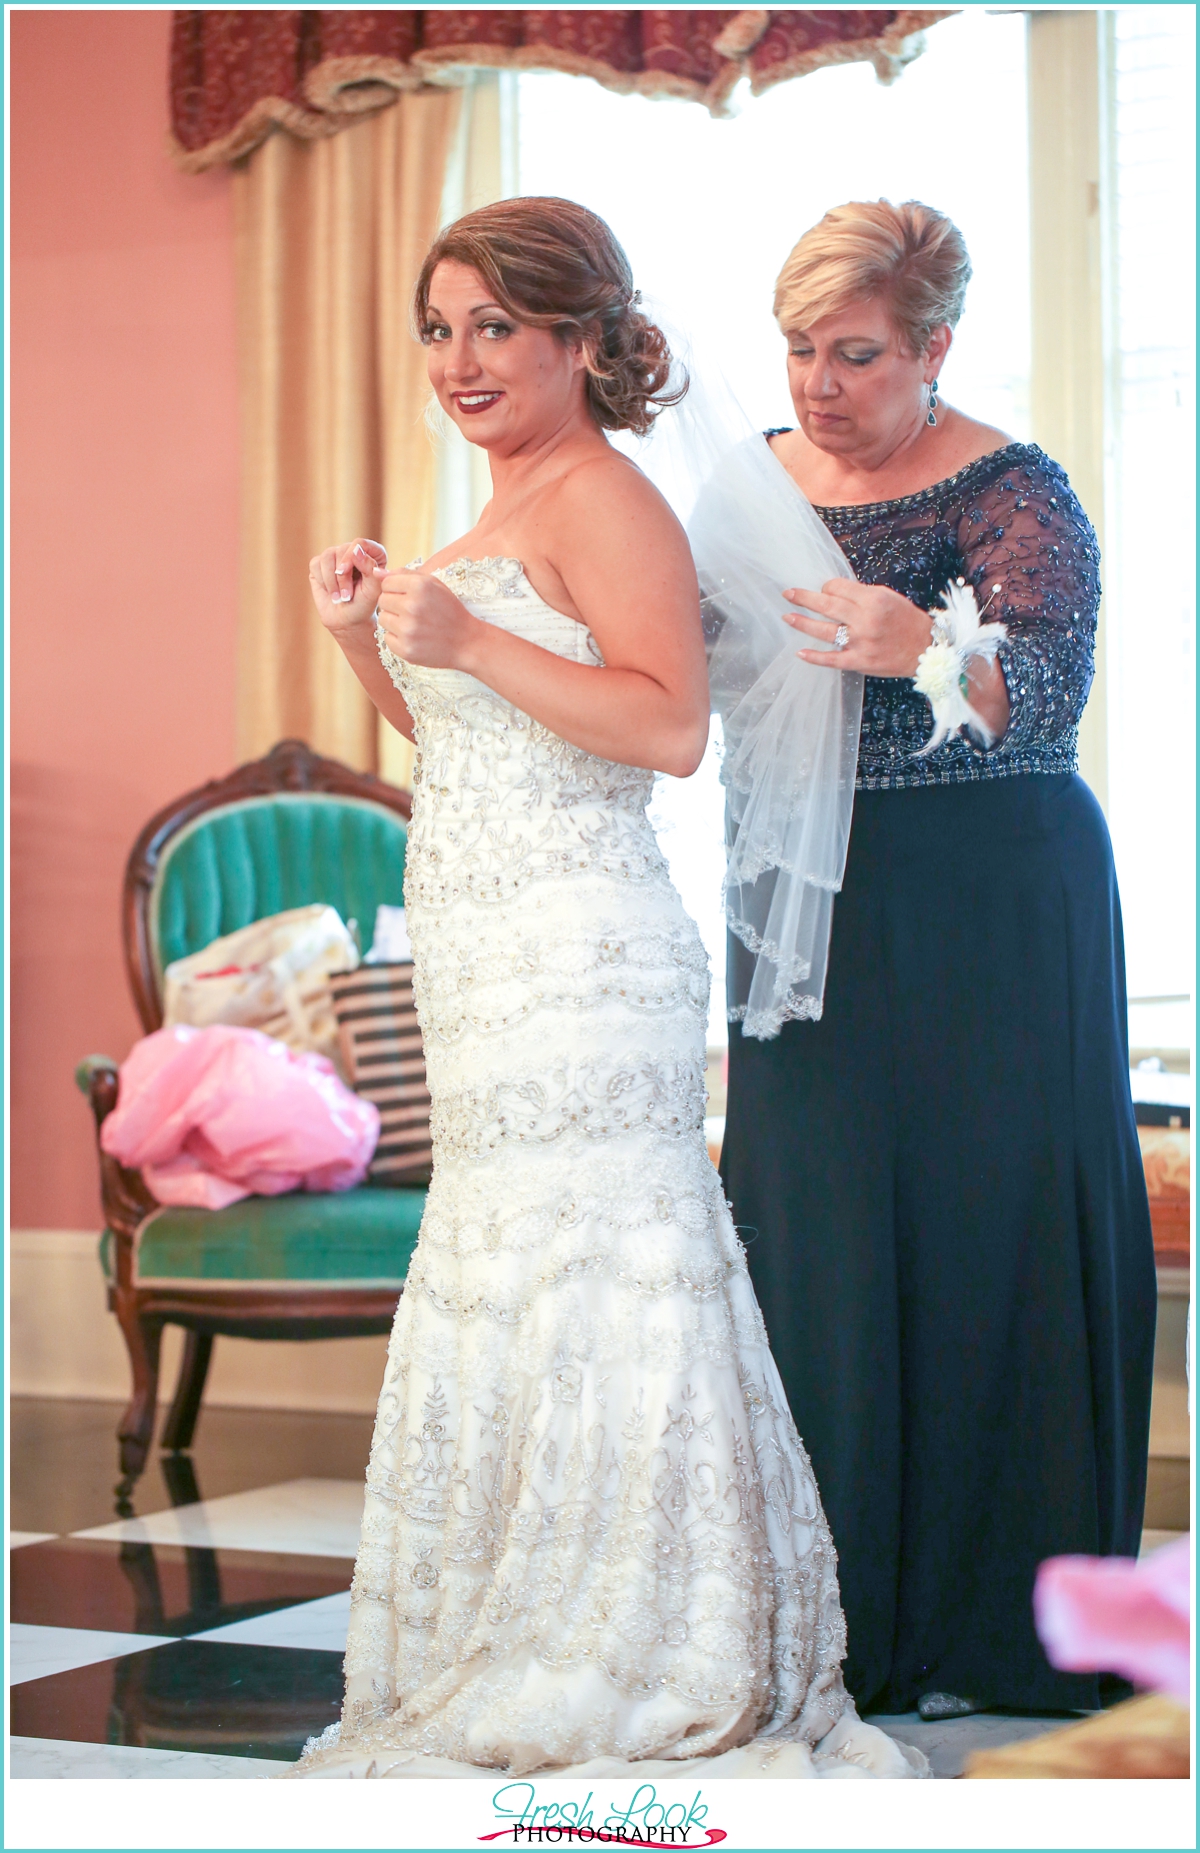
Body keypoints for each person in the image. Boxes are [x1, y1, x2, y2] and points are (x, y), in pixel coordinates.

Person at [290, 197, 921, 1779]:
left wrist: (471, 642)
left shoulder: (608, 498)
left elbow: (664, 730)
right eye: (439, 330)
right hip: (488, 959)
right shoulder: (497, 508)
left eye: (497, 327)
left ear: (582, 340)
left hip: (585, 955)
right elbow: (464, 743)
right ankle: (520, 1616)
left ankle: (645, 1640)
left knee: (603, 1278)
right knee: (509, 1273)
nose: (460, 361)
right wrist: (376, 639)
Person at [719, 198, 1157, 1720]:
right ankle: (839, 1620)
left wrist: (919, 644)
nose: (817, 384)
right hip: (803, 894)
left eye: (854, 353)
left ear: (935, 348)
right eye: (796, 348)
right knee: (816, 1223)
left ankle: (1002, 1625)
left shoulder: (1012, 487)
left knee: (993, 1232)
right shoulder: (751, 481)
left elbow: (1048, 687)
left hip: (996, 895)